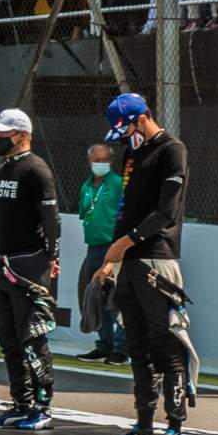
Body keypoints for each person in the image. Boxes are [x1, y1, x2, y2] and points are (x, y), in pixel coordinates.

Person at [92, 92, 194, 435]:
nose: (124, 138)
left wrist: (125, 243)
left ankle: (175, 430)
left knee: (167, 346)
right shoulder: (133, 152)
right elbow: (126, 208)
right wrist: (112, 258)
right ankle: (142, 428)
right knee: (136, 347)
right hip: (130, 259)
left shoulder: (172, 150)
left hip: (157, 260)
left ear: (142, 117)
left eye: (127, 129)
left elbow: (166, 211)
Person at [0, 108, 62, 431]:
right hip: (3, 262)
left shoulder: (37, 170)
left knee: (33, 338)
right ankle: (20, 402)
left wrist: (53, 256)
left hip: (30, 265)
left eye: (3, 134)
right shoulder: (2, 170)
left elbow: (51, 219)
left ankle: (43, 405)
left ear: (22, 135)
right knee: (8, 339)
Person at [76, 141, 126, 362]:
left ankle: (121, 348)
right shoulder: (86, 187)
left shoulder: (117, 184)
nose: (101, 164)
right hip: (94, 246)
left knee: (116, 297)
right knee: (95, 295)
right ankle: (104, 344)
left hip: (113, 245)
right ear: (89, 161)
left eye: (105, 160)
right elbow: (85, 214)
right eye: (97, 160)